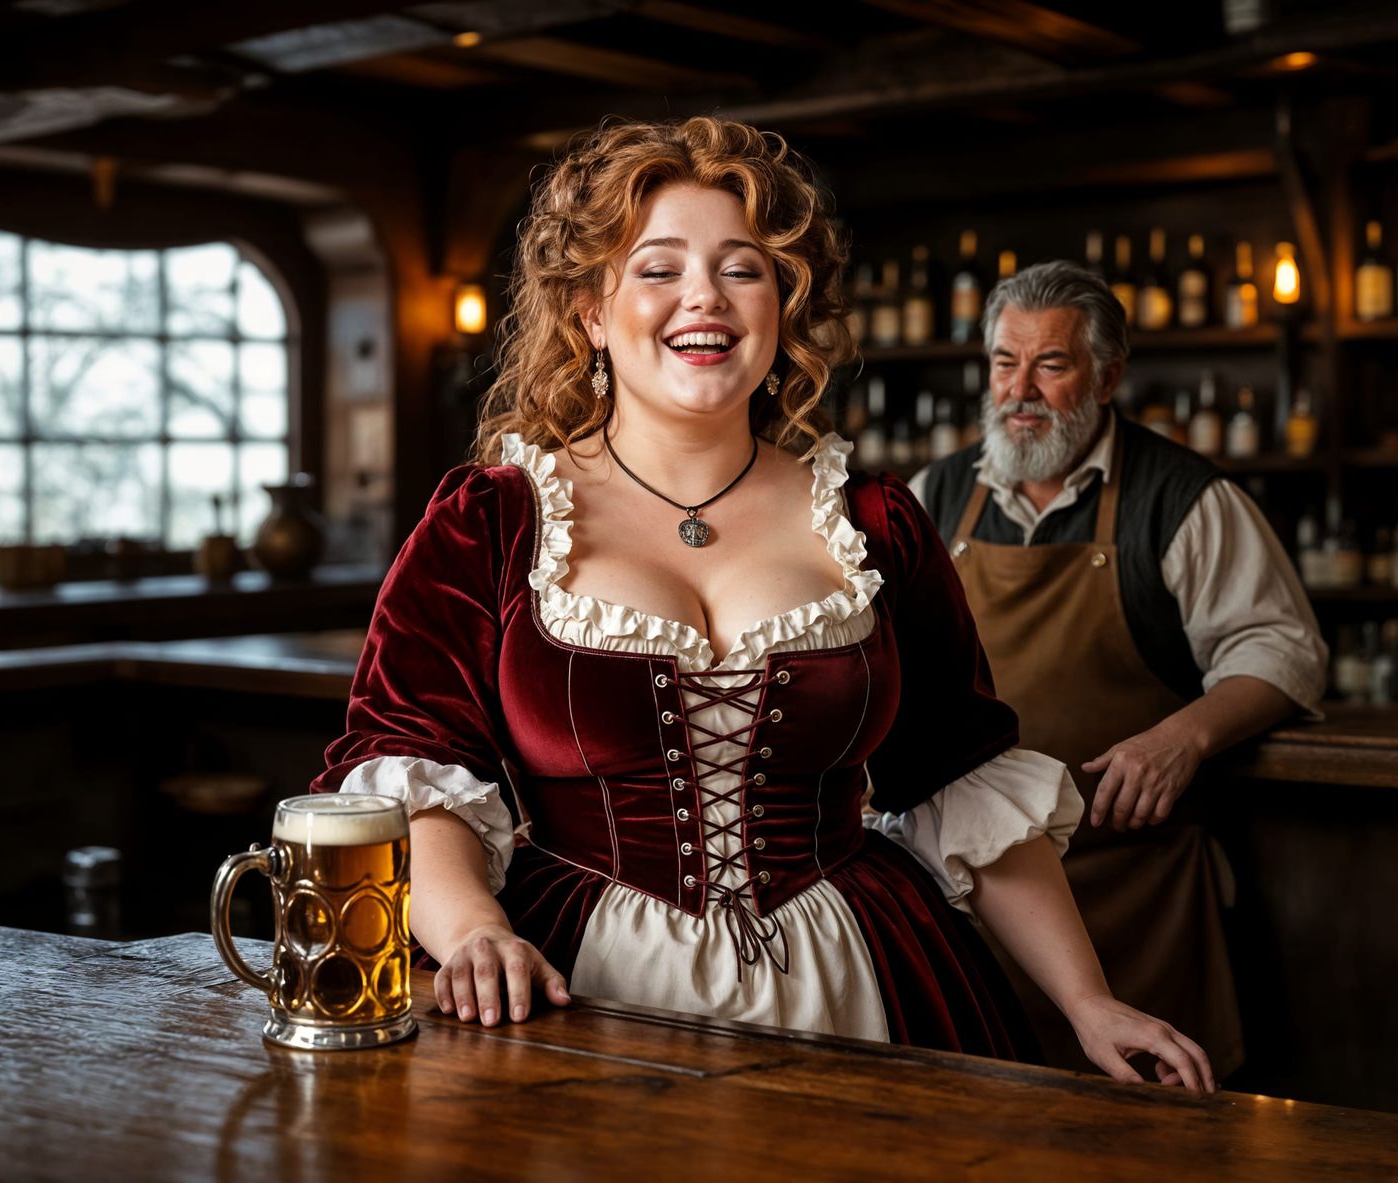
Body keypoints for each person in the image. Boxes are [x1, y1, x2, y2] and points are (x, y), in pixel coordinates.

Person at [312, 117, 1213, 1092]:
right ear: (588, 313)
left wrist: (1089, 1000)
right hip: (581, 979)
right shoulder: (491, 521)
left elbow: (960, 777)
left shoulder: (874, 523)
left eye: (742, 268)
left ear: (783, 304)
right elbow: (415, 765)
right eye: (657, 268)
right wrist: (476, 932)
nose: (703, 295)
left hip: (857, 973)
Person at [909, 260, 1328, 1080]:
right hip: (975, 899)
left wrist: (1184, 736)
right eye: (1004, 362)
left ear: (1108, 377)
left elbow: (1282, 650)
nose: (1019, 388)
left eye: (1051, 364)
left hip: (1134, 894)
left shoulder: (1184, 499)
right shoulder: (936, 494)